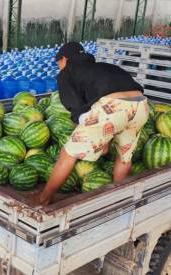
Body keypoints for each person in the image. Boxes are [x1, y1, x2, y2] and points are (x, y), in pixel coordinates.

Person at [39, 42, 149, 205]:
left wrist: (86, 131)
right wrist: (104, 140)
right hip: (141, 106)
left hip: (114, 107)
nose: (58, 67)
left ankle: (43, 199)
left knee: (68, 154)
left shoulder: (67, 72)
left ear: (64, 59)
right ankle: (118, 201)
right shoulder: (104, 67)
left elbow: (76, 106)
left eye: (58, 63)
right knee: (124, 157)